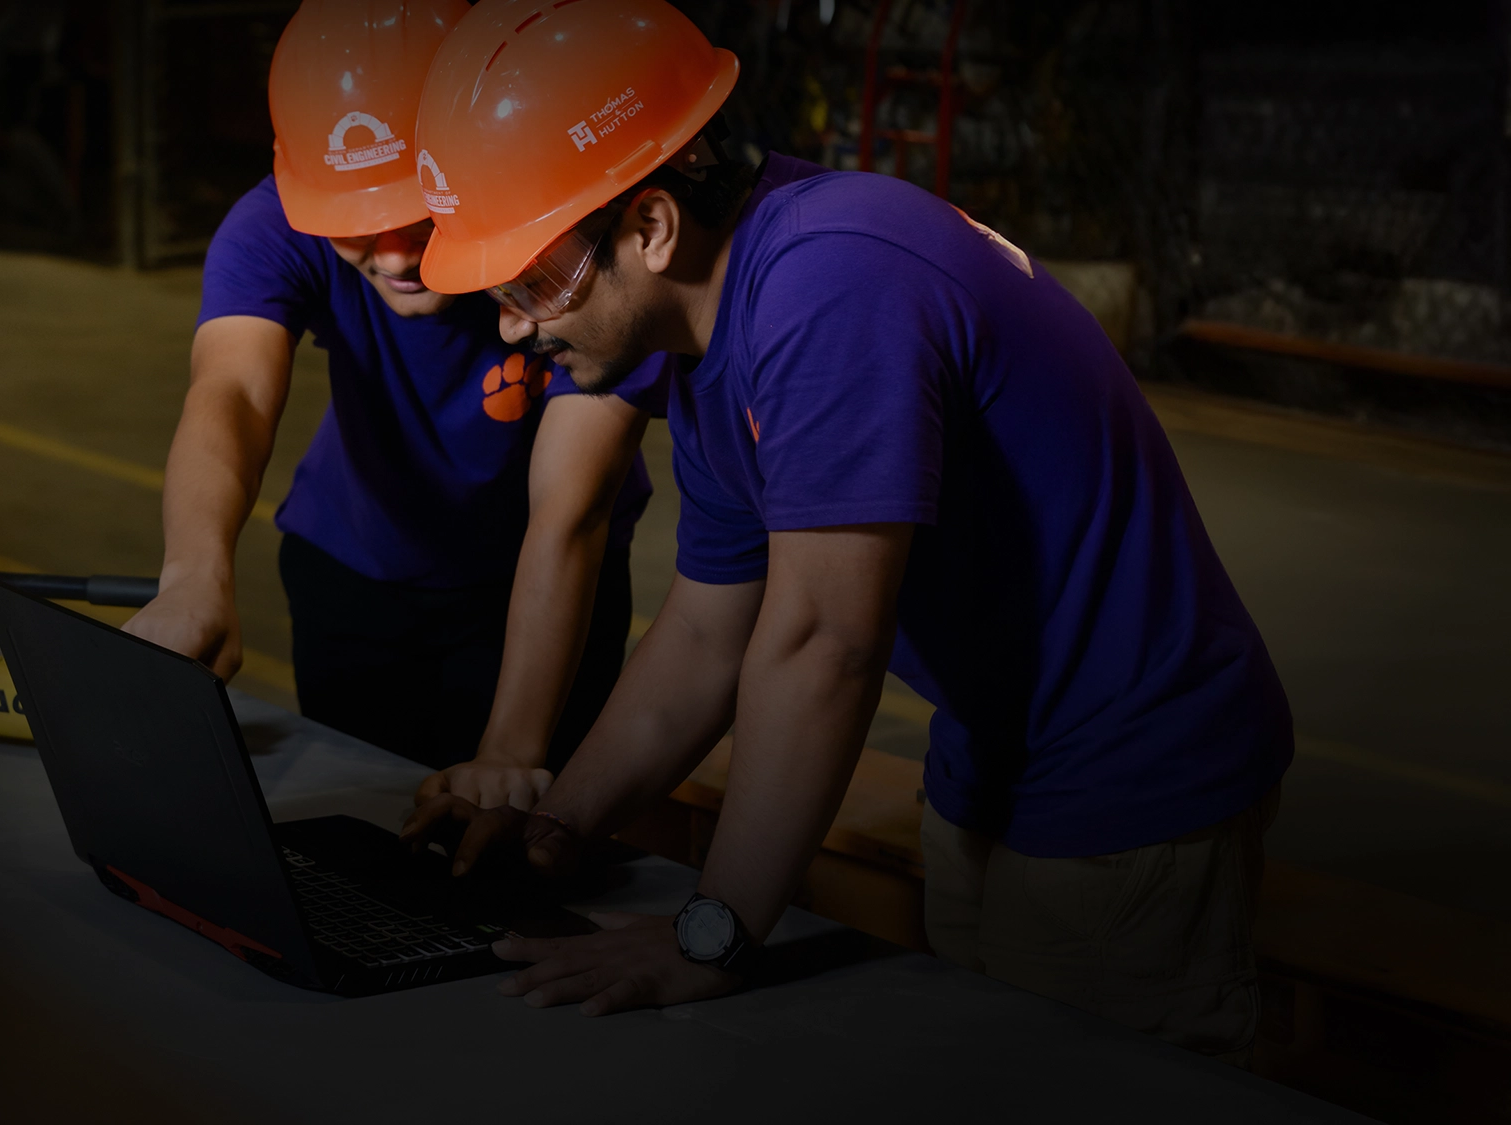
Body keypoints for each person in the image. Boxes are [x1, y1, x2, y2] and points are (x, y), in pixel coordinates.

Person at [401, 0, 1292, 1064]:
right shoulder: (721, 332)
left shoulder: (831, 286)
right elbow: (707, 636)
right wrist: (552, 837)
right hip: (990, 758)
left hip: (1131, 777)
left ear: (650, 226)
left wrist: (709, 934)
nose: (510, 323)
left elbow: (825, 643)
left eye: (532, 278)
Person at [124, 0, 668, 809]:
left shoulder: (580, 248)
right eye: (356, 224)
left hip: (547, 586)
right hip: (357, 575)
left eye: (416, 213)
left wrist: (510, 751)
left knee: (522, 843)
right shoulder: (277, 220)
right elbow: (231, 390)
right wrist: (193, 575)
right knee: (369, 838)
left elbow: (570, 514)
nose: (393, 255)